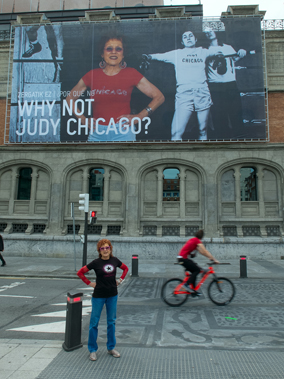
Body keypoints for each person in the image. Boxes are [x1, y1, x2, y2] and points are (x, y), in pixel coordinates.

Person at [66, 33, 165, 142]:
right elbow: (69, 98)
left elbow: (159, 97)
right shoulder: (92, 75)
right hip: (97, 131)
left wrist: (140, 116)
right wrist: (83, 120)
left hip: (123, 131)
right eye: (109, 49)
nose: (114, 52)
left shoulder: (131, 74)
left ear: (123, 54)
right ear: (102, 53)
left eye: (118, 49)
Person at [144, 30, 222, 141]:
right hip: (184, 94)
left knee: (203, 130)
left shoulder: (202, 51)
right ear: (182, 41)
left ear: (195, 39)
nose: (188, 38)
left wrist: (239, 52)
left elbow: (218, 52)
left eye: (191, 36)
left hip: (202, 92)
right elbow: (160, 56)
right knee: (176, 132)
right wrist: (148, 56)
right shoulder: (177, 54)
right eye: (185, 37)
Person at [77, 239, 128, 361]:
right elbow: (80, 272)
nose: (105, 250)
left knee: (111, 322)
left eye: (107, 247)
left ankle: (111, 348)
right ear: (99, 251)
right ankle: (92, 350)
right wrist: (90, 283)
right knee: (94, 323)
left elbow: (125, 269)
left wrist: (120, 280)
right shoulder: (95, 263)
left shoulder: (115, 261)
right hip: (98, 296)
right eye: (102, 248)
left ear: (110, 248)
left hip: (112, 295)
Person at [204, 28, 246, 139]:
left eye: (210, 30)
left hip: (230, 84)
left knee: (236, 111)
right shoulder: (205, 50)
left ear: (216, 32)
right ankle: (222, 138)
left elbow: (237, 57)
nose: (208, 32)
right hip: (215, 85)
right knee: (218, 114)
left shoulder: (227, 47)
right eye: (206, 31)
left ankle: (240, 136)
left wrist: (242, 52)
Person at [177, 230, 219, 295]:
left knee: (195, 270)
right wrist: (214, 259)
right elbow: (205, 251)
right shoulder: (197, 241)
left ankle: (193, 291)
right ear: (201, 237)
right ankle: (186, 285)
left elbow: (201, 252)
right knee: (197, 270)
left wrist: (209, 257)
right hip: (183, 259)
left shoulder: (193, 240)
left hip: (181, 259)